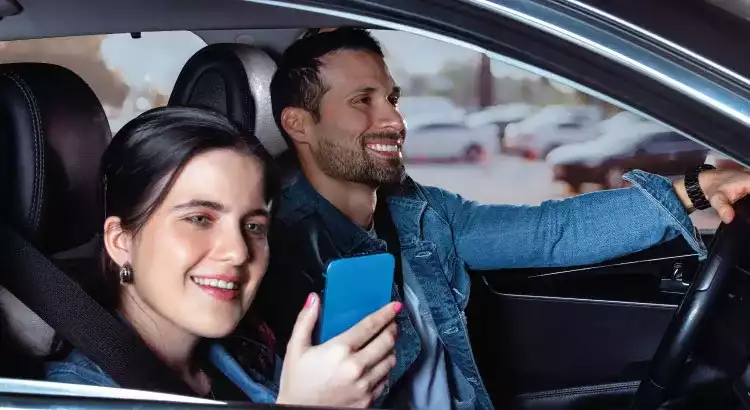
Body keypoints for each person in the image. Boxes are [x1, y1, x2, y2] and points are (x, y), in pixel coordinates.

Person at [257, 27, 750, 410]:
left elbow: (550, 232)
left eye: (391, 99)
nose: (394, 121)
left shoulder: (419, 212)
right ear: (298, 124)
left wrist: (695, 189)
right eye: (362, 101)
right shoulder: (271, 257)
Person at [44, 106, 400, 408]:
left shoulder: (248, 357)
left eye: (254, 226)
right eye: (200, 219)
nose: (238, 251)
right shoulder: (77, 396)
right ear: (121, 241)